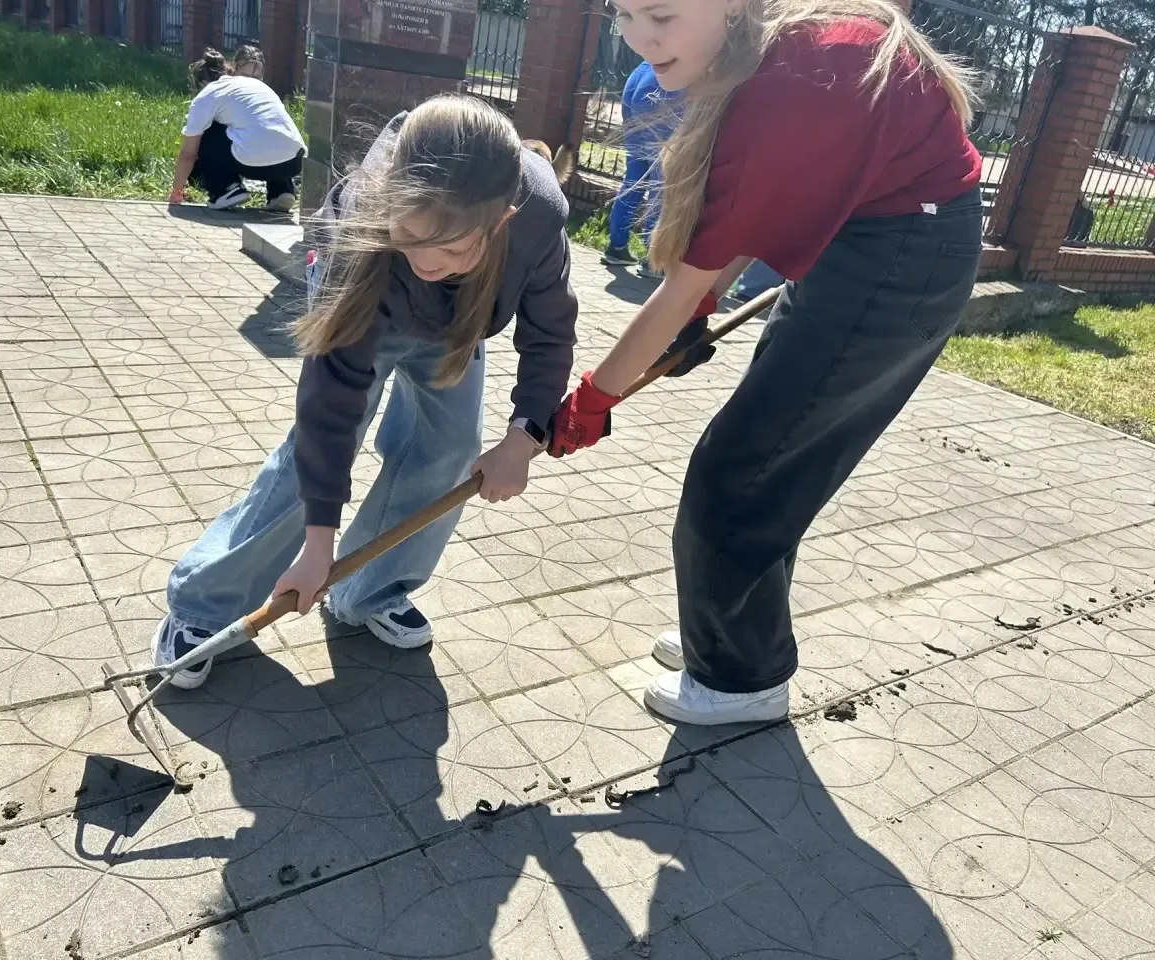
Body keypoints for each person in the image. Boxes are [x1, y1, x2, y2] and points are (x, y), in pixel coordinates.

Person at [549, 0, 982, 725]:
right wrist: (701, 305)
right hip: (875, 238)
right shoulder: (766, 61)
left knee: (741, 473)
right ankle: (729, 633)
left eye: (661, 13)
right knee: (771, 466)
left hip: (904, 259)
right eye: (623, 14)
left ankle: (742, 678)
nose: (639, 38)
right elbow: (744, 223)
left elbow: (681, 282)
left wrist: (593, 399)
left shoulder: (792, 78)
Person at [153, 95, 579, 688]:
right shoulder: (363, 232)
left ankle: (369, 588)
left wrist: (525, 436)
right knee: (320, 451)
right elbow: (329, 410)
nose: (428, 261)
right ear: (389, 205)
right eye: (412, 235)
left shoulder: (538, 218)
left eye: (454, 247)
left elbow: (550, 334)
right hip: (371, 301)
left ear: (502, 220)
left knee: (450, 449)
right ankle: (206, 603)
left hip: (459, 320)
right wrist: (317, 547)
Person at [168, 47, 306, 212]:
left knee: (207, 132)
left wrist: (176, 192)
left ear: (201, 84)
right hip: (295, 162)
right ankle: (282, 191)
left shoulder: (207, 95)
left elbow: (188, 154)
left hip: (253, 161)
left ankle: (226, 189)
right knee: (267, 132)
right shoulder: (260, 88)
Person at [600, 60, 678, 275]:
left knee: (634, 180)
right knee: (660, 186)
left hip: (638, 83)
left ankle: (617, 247)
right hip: (664, 90)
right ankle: (652, 259)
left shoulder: (645, 64)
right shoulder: (681, 61)